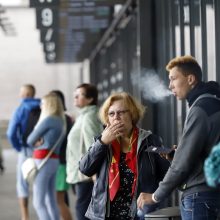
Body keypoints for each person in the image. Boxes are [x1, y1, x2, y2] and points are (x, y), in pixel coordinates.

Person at [137, 55, 220, 220]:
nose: (170, 85)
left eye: (173, 78)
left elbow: (182, 164)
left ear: (190, 79)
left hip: (200, 198)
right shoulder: (212, 103)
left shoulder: (200, 109)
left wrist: (155, 196)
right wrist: (177, 155)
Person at [79, 92, 169, 220]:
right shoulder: (102, 142)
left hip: (140, 214)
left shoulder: (150, 141)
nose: (116, 117)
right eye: (111, 114)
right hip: (106, 215)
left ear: (132, 114)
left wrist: (154, 196)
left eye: (121, 112)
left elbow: (168, 176)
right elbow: (85, 169)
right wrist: (102, 143)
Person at [66, 83, 103, 220]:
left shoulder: (89, 117)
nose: (75, 97)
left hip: (86, 174)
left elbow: (94, 147)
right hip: (82, 172)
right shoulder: (83, 115)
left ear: (90, 99)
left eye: (79, 94)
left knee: (82, 210)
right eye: (75, 94)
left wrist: (94, 176)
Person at [27, 93, 66, 220]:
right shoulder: (61, 121)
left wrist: (37, 142)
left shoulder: (48, 120)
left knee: (38, 202)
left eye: (43, 103)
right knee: (51, 200)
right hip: (54, 161)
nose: (40, 105)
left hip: (42, 161)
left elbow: (29, 140)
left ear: (49, 104)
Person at [7, 84, 40, 220]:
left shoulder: (20, 109)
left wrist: (18, 147)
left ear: (25, 94)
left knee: (22, 184)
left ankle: (25, 216)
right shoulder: (42, 106)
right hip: (41, 150)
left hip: (25, 150)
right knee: (41, 183)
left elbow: (11, 133)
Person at [50, 90, 74, 220]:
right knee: (61, 199)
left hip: (59, 162)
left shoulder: (57, 119)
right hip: (64, 161)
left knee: (58, 200)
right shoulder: (67, 118)